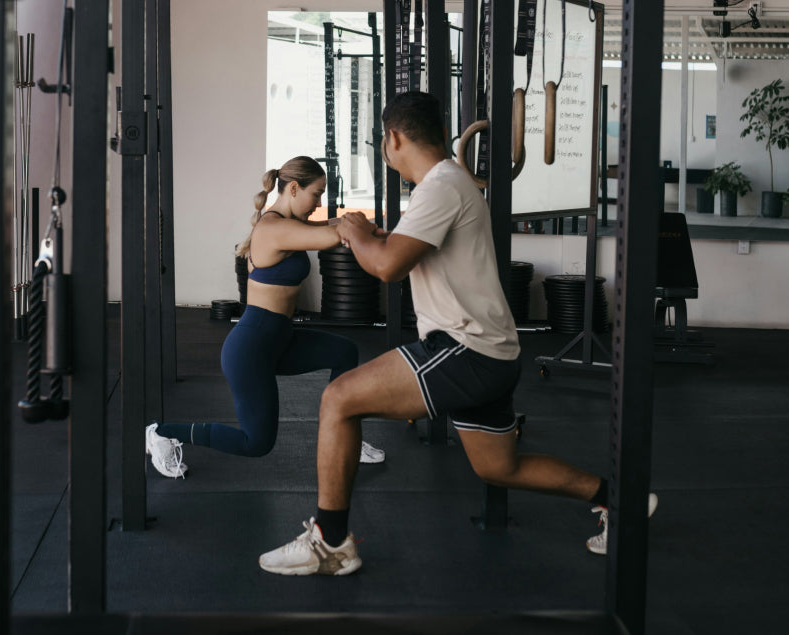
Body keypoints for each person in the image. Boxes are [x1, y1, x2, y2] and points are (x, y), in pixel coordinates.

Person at [257, 92, 656, 576]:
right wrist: (364, 235)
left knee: (339, 399)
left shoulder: (441, 187)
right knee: (499, 468)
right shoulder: (442, 185)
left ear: (394, 138)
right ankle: (621, 502)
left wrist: (353, 227)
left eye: (384, 140)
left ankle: (331, 541)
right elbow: (397, 252)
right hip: (492, 352)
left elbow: (385, 268)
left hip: (465, 349)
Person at [145, 156, 386, 479]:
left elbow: (328, 226)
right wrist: (361, 228)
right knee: (256, 442)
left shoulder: (289, 225)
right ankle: (162, 432)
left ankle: (344, 439)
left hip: (279, 340)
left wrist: (358, 224)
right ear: (295, 188)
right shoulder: (273, 229)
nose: (319, 203)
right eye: (316, 194)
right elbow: (332, 236)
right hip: (252, 348)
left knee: (345, 352)